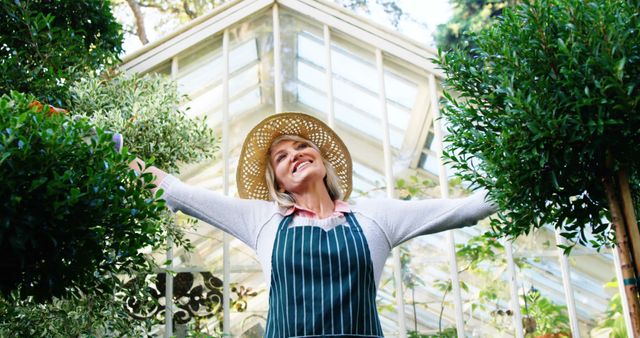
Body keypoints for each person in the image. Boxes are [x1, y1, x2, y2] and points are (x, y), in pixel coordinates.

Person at [131, 112, 496, 337]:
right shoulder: (264, 221)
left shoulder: (375, 217)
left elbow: (466, 209)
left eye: (302, 146)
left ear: (321, 159)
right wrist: (110, 152)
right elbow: (178, 193)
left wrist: (533, 173)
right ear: (278, 184)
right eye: (281, 156)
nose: (296, 154)